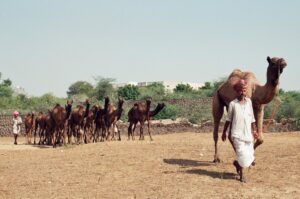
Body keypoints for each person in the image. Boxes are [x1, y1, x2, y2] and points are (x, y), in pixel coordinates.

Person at [222, 79, 258, 183]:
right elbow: (228, 119)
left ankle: (237, 164)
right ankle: (242, 175)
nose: (243, 92)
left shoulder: (249, 102)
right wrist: (224, 132)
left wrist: (254, 131)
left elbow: (252, 118)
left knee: (249, 154)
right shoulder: (233, 104)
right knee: (242, 154)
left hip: (247, 134)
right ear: (237, 91)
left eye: (244, 90)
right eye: (241, 90)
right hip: (237, 134)